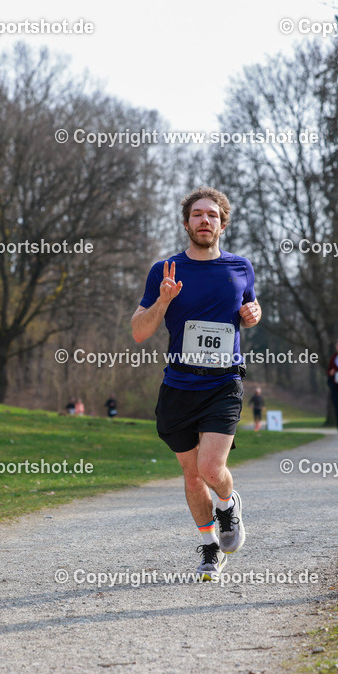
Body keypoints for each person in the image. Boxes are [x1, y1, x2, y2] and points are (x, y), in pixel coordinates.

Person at [131, 186, 261, 580]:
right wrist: (164, 301)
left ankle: (228, 503)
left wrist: (253, 314)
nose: (205, 220)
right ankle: (210, 548)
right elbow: (139, 331)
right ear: (186, 223)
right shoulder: (165, 270)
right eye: (197, 214)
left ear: (223, 224)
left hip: (223, 383)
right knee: (191, 475)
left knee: (210, 467)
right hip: (179, 386)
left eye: (212, 215)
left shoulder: (240, 267)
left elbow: (249, 307)